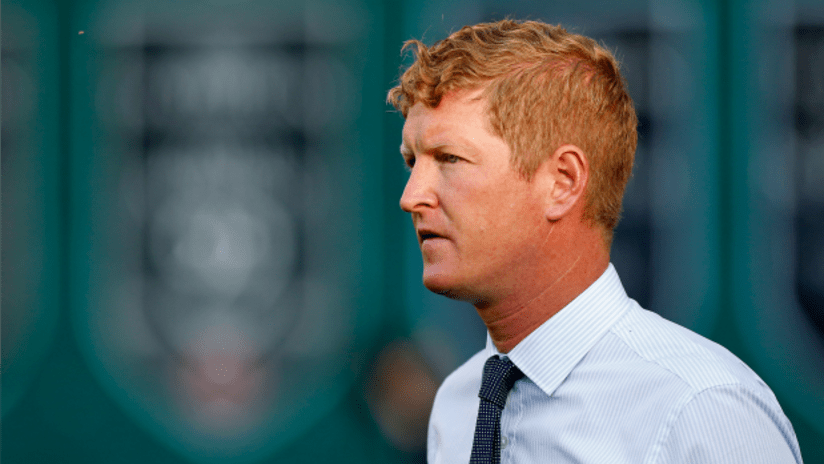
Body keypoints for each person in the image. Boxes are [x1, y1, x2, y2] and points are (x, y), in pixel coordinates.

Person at [387, 19, 803, 463]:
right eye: (412, 161)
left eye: (449, 158)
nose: (411, 196)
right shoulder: (457, 405)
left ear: (563, 182)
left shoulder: (701, 410)